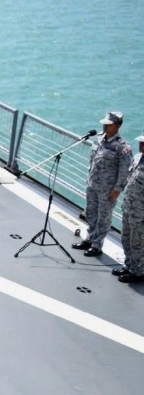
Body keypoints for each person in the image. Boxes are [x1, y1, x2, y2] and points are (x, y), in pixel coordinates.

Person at [74, 112, 133, 258]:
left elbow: (124, 171)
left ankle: (97, 245)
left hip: (108, 189)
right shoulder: (99, 139)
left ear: (118, 126)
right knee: (91, 213)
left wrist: (117, 190)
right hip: (93, 184)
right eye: (104, 124)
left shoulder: (122, 147)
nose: (105, 126)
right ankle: (89, 239)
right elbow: (93, 160)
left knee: (104, 217)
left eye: (109, 124)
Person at [116, 132, 144, 283]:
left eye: (143, 143)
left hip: (141, 213)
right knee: (125, 238)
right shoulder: (138, 158)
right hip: (129, 207)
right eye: (140, 142)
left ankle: (138, 272)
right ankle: (128, 266)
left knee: (137, 243)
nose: (141, 145)